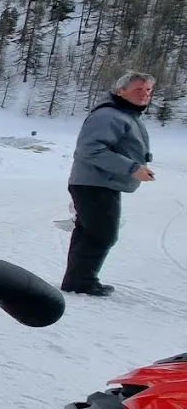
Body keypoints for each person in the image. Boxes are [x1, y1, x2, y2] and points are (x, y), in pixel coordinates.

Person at [62, 72, 155, 296]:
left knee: (89, 232)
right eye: (138, 89)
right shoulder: (109, 115)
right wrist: (132, 168)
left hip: (101, 182)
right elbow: (90, 149)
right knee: (102, 233)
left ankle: (77, 280)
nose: (144, 95)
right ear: (119, 91)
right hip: (95, 183)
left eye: (148, 90)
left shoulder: (126, 114)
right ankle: (82, 282)